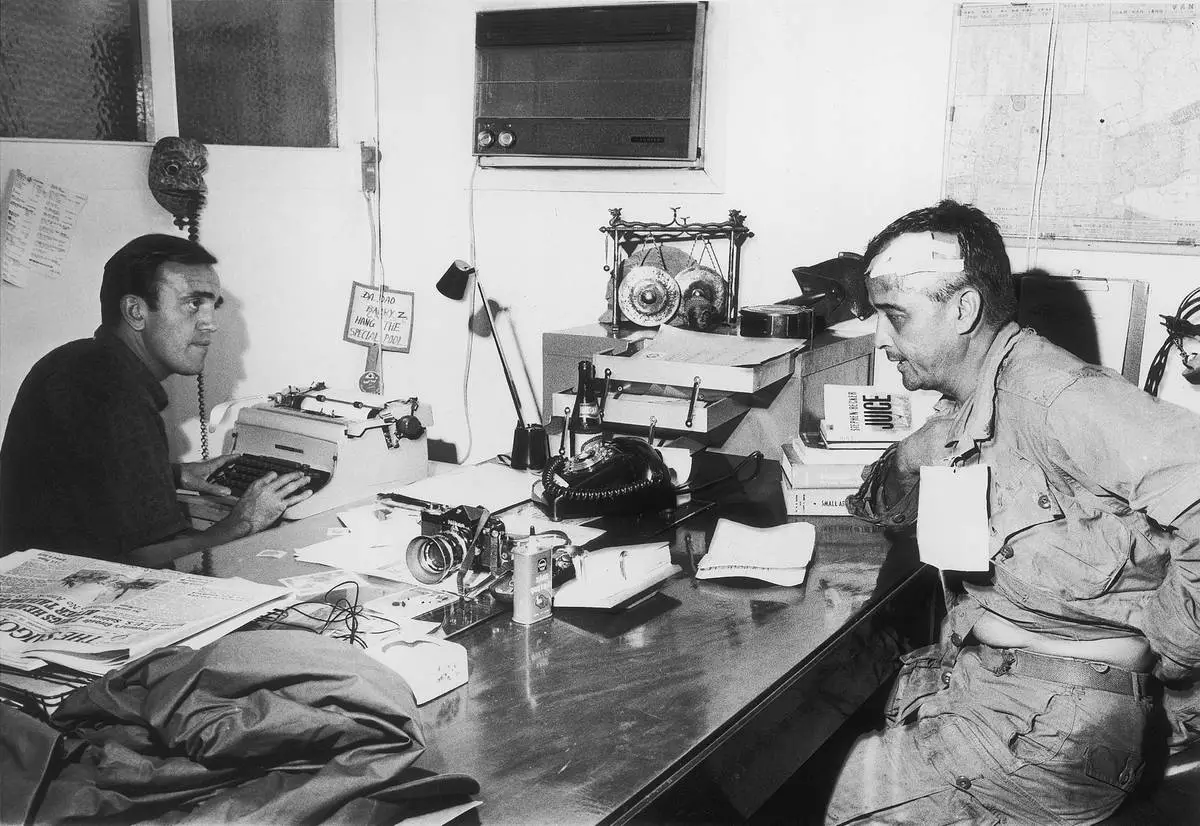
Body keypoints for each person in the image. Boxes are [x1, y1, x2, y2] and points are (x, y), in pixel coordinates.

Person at [826, 200, 1200, 824]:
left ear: (964, 309)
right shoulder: (976, 400)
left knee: (829, 797)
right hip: (986, 683)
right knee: (819, 757)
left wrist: (1172, 648)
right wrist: (913, 455)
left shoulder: (1057, 398)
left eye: (895, 316)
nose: (880, 339)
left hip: (1054, 719)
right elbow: (881, 511)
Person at [0, 234, 312, 567]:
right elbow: (144, 559)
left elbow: (81, 484)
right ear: (136, 311)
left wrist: (172, 474)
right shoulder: (116, 394)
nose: (211, 323)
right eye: (194, 303)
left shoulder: (74, 361)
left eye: (213, 305)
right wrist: (243, 522)